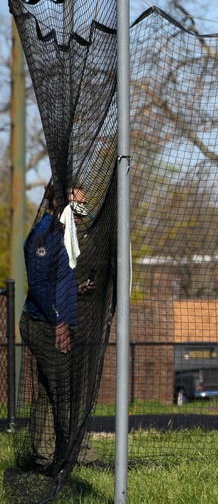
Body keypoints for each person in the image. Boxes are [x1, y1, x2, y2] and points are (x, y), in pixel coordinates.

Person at [20, 183, 96, 474]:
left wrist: (77, 289)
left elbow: (56, 283)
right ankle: (74, 454)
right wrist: (59, 323)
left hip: (55, 322)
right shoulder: (45, 235)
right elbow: (39, 287)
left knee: (48, 389)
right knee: (64, 389)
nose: (80, 214)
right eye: (75, 207)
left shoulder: (67, 234)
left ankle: (43, 452)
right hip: (42, 324)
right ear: (58, 204)